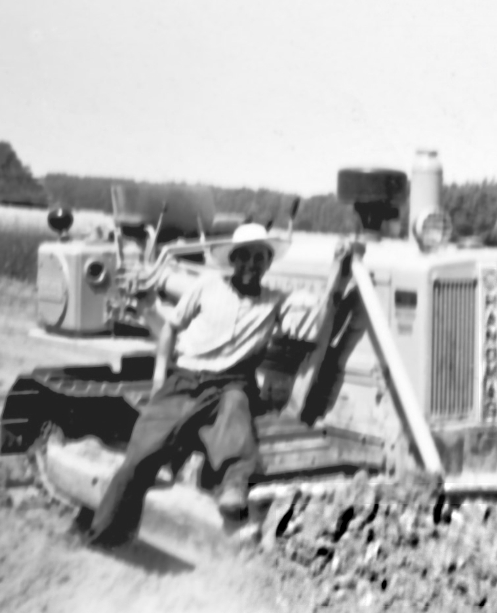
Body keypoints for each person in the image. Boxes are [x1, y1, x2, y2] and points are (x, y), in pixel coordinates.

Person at [86, 223, 351, 547]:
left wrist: (339, 277)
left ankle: (233, 488)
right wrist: (159, 377)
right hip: (183, 379)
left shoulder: (276, 301)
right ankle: (108, 535)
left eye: (260, 258)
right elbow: (170, 328)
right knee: (141, 455)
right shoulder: (207, 286)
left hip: (230, 382)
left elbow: (318, 312)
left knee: (237, 413)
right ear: (233, 260)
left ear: (267, 264)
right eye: (245, 258)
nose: (252, 265)